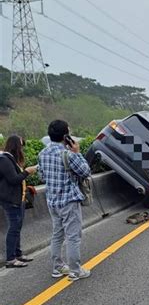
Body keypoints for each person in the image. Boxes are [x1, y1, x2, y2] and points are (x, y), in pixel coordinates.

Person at [38, 120, 92, 281]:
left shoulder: (42, 154)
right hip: (68, 201)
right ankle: (75, 271)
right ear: (65, 136)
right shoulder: (67, 154)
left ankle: (58, 267)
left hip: (52, 201)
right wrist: (77, 152)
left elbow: (41, 176)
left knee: (57, 234)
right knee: (73, 237)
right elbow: (85, 171)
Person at [0, 135, 37, 268]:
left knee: (18, 226)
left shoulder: (12, 160)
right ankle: (11, 259)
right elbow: (13, 179)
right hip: (10, 200)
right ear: (15, 146)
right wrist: (27, 172)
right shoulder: (4, 159)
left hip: (18, 198)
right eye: (21, 145)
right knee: (14, 228)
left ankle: (18, 254)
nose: (22, 148)